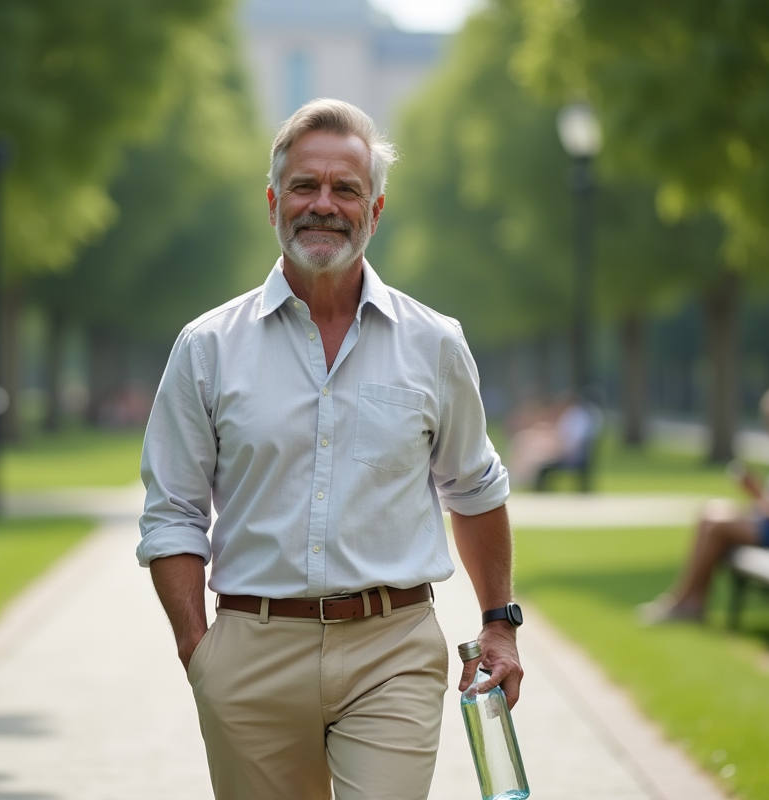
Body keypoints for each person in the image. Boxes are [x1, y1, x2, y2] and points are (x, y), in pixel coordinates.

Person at [137, 99, 523, 800]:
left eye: (346, 189)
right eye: (304, 186)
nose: (324, 205)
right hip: (250, 654)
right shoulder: (206, 348)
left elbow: (475, 486)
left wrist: (500, 625)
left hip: (394, 651)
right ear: (273, 201)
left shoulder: (434, 342)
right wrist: (201, 655)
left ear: (375, 210)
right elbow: (173, 514)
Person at [638, 383, 769, 624]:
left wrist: (755, 493)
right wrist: (758, 497)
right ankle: (687, 601)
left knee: (716, 525)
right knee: (710, 514)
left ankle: (687, 603)